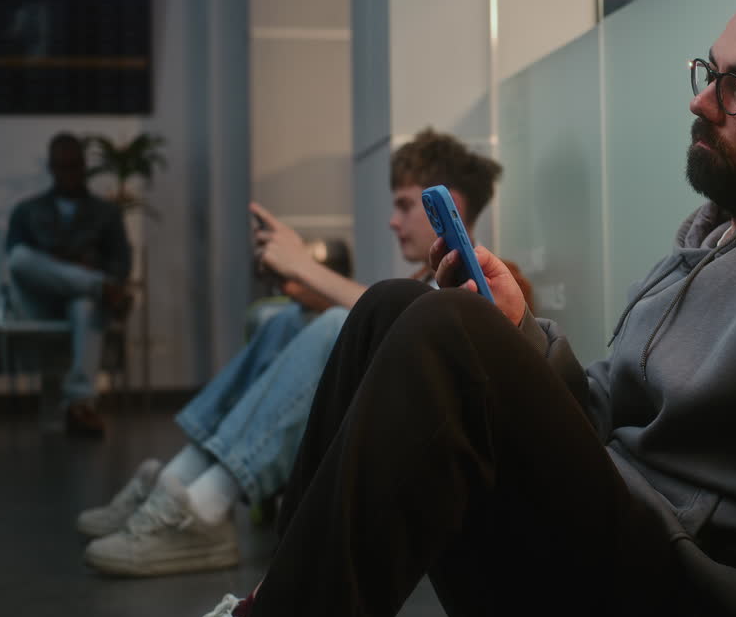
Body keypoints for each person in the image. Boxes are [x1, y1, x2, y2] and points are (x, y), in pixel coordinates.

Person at [109, 0, 736, 617]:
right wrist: (522, 332)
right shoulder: (711, 234)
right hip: (625, 544)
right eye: (709, 73)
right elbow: (602, 414)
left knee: (447, 330)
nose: (701, 101)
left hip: (702, 610)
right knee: (395, 306)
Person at [79, 129, 531, 577]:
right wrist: (304, 286)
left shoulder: (498, 278)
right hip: (391, 413)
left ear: (450, 203)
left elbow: (419, 331)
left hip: (430, 439)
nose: (394, 220)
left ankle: (206, 507)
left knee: (336, 322)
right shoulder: (424, 277)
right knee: (286, 320)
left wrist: (307, 268)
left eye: (406, 204)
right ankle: (176, 485)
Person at [4, 132, 132, 436]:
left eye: (74, 165)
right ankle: (96, 284)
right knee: (21, 257)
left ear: (84, 166)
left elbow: (122, 265)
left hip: (82, 306)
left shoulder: (107, 213)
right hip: (39, 302)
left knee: (85, 302)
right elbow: (19, 263)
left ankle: (80, 405)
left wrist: (91, 267)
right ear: (52, 167)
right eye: (62, 166)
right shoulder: (27, 210)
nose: (69, 172)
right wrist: (63, 266)